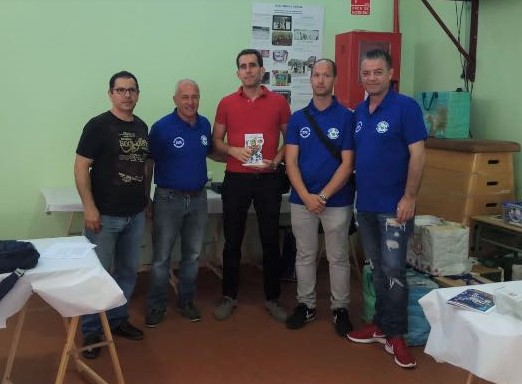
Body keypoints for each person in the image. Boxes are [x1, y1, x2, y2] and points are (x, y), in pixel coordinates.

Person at [346, 49, 427, 369]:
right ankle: (380, 324)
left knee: (395, 272)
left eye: (377, 72)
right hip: (364, 207)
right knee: (377, 269)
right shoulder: (360, 112)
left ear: (391, 73)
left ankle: (397, 335)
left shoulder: (405, 107)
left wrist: (409, 197)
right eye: (366, 73)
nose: (371, 78)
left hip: (394, 209)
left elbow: (418, 155)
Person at [74, 70, 151, 359]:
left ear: (138, 94)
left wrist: (147, 198)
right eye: (120, 90)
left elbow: (145, 167)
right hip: (104, 216)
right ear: (110, 94)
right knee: (97, 274)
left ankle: (118, 320)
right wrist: (90, 208)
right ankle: (92, 329)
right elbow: (81, 167)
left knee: (128, 272)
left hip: (134, 214)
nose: (127, 95)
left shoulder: (142, 127)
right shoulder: (98, 126)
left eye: (132, 90)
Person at [212, 48, 291, 322]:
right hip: (235, 178)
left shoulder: (279, 102)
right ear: (238, 72)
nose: (248, 70)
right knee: (232, 239)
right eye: (243, 66)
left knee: (270, 239)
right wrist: (233, 151)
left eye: (252, 65)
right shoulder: (226, 103)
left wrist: (276, 161)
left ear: (261, 70)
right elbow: (216, 141)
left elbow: (289, 140)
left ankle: (273, 298)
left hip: (268, 179)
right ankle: (229, 295)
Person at [284, 59, 355, 337]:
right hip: (302, 200)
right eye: (316, 75)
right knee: (305, 255)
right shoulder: (298, 118)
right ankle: (306, 305)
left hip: (336, 201)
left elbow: (347, 164)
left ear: (334, 79)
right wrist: (306, 196)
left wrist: (322, 196)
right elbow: (291, 162)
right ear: (310, 79)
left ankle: (340, 309)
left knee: (338, 257)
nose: (321, 80)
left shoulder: (347, 117)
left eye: (326, 75)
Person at [145, 79, 223, 327]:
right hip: (168, 199)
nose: (191, 102)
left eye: (195, 97)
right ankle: (156, 306)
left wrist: (241, 155)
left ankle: (186, 301)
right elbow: (148, 164)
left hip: (198, 199)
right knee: (161, 257)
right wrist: (145, 198)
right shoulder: (161, 128)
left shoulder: (204, 125)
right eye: (185, 97)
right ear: (175, 100)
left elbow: (211, 151)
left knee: (192, 255)